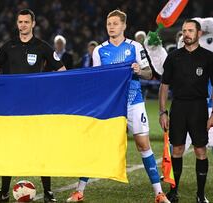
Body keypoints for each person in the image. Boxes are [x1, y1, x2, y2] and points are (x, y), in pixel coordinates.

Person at [66, 10, 170, 203]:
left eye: (115, 23)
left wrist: (140, 70)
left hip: (133, 102)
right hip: (110, 105)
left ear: (124, 26)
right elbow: (96, 79)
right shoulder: (99, 50)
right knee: (96, 145)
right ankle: (79, 191)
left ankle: (158, 193)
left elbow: (150, 74)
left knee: (143, 144)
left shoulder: (135, 47)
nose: (111, 27)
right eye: (109, 24)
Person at [0, 9, 66, 203]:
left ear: (33, 24)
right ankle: (3, 192)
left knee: (40, 147)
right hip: (12, 107)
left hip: (35, 107)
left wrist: (48, 90)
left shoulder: (42, 47)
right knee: (9, 148)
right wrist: (0, 90)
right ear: (17, 24)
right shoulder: (8, 46)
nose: (22, 25)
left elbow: (62, 70)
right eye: (20, 22)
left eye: (26, 22)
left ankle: (48, 192)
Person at [159, 19, 213, 203]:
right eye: (184, 31)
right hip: (179, 107)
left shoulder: (208, 57)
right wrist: (162, 112)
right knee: (178, 149)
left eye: (190, 30)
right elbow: (164, 86)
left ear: (199, 34)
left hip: (199, 108)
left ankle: (200, 194)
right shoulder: (173, 56)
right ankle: (173, 192)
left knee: (200, 151)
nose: (186, 34)